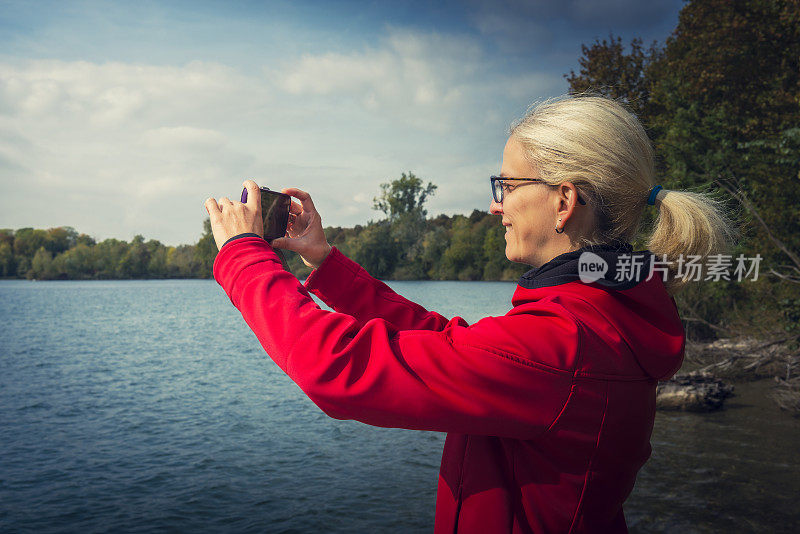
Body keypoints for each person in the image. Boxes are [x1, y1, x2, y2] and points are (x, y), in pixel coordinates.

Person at [204, 95, 733, 533]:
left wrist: (243, 255)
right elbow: (447, 340)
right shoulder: (602, 314)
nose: (495, 206)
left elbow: (341, 371)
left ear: (564, 200)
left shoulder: (561, 344)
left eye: (506, 186)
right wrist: (324, 261)